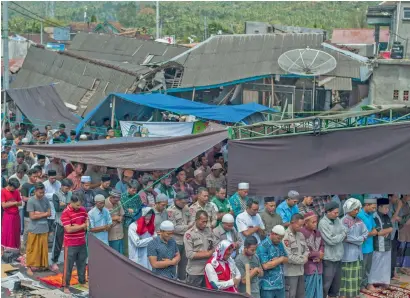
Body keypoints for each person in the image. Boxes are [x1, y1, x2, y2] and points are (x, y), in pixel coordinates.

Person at [340, 198, 368, 298]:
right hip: (347, 254)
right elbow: (345, 237)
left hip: (357, 253)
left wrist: (359, 239)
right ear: (348, 209)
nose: (357, 211)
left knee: (356, 276)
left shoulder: (359, 220)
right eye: (354, 209)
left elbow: (365, 233)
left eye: (357, 209)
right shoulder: (343, 221)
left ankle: (354, 294)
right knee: (347, 276)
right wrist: (360, 240)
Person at [60, 193, 88, 294]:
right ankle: (66, 285)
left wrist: (79, 225)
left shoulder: (83, 210)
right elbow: (68, 229)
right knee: (68, 266)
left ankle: (82, 281)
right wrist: (82, 226)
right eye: (77, 205)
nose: (79, 207)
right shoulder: (65, 213)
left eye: (80, 205)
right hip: (70, 243)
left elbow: (87, 221)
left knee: (82, 263)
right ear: (71, 202)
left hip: (82, 241)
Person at [318, 201, 347, 298]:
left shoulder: (338, 219)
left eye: (338, 212)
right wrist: (341, 236)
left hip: (338, 256)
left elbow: (345, 230)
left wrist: (338, 236)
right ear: (328, 212)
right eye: (335, 213)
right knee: (326, 284)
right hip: (328, 258)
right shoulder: (323, 223)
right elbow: (331, 240)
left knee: (336, 284)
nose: (337, 215)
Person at [184, 210, 216, 287]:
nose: (205, 224)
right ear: (196, 220)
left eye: (206, 222)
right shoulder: (189, 234)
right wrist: (208, 254)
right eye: (202, 221)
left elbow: (215, 245)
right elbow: (189, 254)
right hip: (195, 272)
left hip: (208, 270)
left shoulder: (209, 231)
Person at [367, 198, 393, 290]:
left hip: (387, 244)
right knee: (375, 265)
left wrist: (387, 230)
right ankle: (371, 283)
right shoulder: (374, 216)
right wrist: (388, 230)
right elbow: (379, 232)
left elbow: (390, 227)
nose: (387, 210)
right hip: (378, 245)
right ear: (379, 207)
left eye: (388, 208)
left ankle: (384, 282)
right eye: (386, 208)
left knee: (386, 265)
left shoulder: (387, 216)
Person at [26, 182, 51, 276]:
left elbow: (49, 213)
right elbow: (32, 216)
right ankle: (29, 266)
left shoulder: (45, 199)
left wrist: (38, 214)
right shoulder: (31, 201)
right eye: (40, 192)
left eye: (43, 192)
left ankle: (42, 265)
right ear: (35, 191)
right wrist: (43, 214)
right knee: (32, 249)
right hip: (34, 228)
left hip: (44, 227)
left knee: (43, 249)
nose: (42, 194)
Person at [257, 225, 288, 298]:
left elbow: (286, 259)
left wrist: (279, 259)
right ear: (273, 234)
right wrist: (280, 259)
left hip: (280, 283)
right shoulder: (263, 246)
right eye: (279, 238)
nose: (280, 240)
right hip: (267, 285)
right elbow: (266, 266)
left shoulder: (280, 244)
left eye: (281, 238)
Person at [167, 191, 192, 281]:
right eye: (183, 202)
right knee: (174, 262)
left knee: (184, 262)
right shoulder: (170, 210)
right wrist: (188, 227)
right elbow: (173, 228)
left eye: (186, 202)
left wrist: (189, 225)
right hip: (175, 240)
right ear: (177, 200)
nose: (184, 204)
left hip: (186, 240)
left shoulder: (186, 208)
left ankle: (182, 279)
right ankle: (173, 280)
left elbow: (191, 220)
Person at [282, 213, 309, 298]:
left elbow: (307, 250)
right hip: (290, 272)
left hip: (300, 271)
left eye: (302, 225)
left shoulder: (300, 235)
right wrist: (303, 260)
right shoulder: (285, 236)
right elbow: (288, 256)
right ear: (292, 222)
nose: (301, 228)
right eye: (299, 225)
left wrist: (305, 256)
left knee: (301, 295)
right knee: (290, 295)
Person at [50, 178, 73, 272]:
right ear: (62, 186)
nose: (68, 190)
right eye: (67, 188)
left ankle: (70, 260)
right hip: (60, 222)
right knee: (57, 244)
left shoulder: (70, 194)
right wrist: (67, 205)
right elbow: (57, 209)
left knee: (70, 243)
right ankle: (54, 261)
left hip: (70, 222)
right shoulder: (56, 195)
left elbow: (73, 206)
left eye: (69, 188)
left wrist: (64, 204)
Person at [300, 211, 324, 298]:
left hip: (318, 266)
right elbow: (303, 251)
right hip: (308, 267)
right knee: (308, 292)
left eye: (316, 222)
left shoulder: (317, 232)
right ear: (306, 223)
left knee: (318, 293)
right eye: (313, 222)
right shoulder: (301, 233)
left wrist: (320, 255)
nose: (315, 224)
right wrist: (317, 254)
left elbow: (322, 245)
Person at [357, 197, 378, 292]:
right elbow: (358, 233)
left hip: (370, 246)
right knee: (362, 268)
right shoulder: (359, 215)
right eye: (372, 207)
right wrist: (370, 233)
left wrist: (373, 232)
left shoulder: (370, 215)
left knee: (368, 268)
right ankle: (360, 286)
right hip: (363, 247)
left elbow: (375, 228)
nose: (374, 210)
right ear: (366, 205)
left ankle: (365, 284)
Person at [121, 180, 143, 257]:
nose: (134, 192)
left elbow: (140, 209)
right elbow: (124, 211)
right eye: (133, 190)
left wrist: (133, 211)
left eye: (136, 190)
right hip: (127, 223)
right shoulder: (122, 197)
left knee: (137, 242)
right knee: (127, 244)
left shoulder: (137, 196)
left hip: (137, 223)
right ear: (128, 188)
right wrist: (134, 212)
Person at [1, 178, 22, 251]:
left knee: (16, 232)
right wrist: (14, 203)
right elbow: (3, 205)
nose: (15, 190)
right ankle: (2, 250)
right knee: (6, 232)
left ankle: (17, 249)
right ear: (9, 185)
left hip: (16, 215)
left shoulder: (16, 191)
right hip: (8, 215)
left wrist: (10, 203)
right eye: (13, 188)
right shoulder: (3, 191)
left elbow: (20, 203)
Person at [105, 189, 125, 254]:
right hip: (111, 234)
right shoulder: (104, 203)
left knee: (121, 253)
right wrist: (114, 218)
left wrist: (120, 218)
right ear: (111, 197)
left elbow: (122, 214)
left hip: (119, 232)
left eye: (118, 200)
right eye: (115, 200)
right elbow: (102, 218)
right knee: (113, 254)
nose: (117, 201)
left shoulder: (118, 202)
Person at [43, 170, 61, 239]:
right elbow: (43, 195)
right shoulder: (44, 184)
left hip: (56, 206)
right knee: (47, 226)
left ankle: (54, 241)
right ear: (48, 177)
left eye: (55, 178)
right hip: (48, 206)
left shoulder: (58, 183)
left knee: (55, 226)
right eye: (52, 178)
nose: (53, 180)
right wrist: (54, 195)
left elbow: (59, 194)